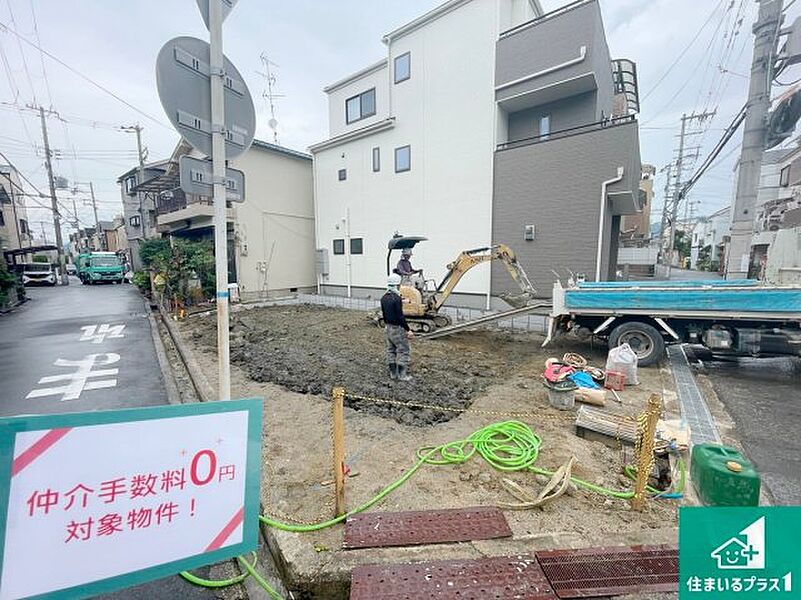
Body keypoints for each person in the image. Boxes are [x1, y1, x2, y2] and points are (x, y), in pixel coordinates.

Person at [381, 273, 414, 381]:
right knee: (404, 350)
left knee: (391, 350)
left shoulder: (384, 297)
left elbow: (385, 314)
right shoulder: (396, 298)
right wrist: (408, 330)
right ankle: (402, 375)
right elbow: (400, 316)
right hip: (397, 328)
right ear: (397, 284)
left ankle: (393, 374)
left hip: (388, 327)